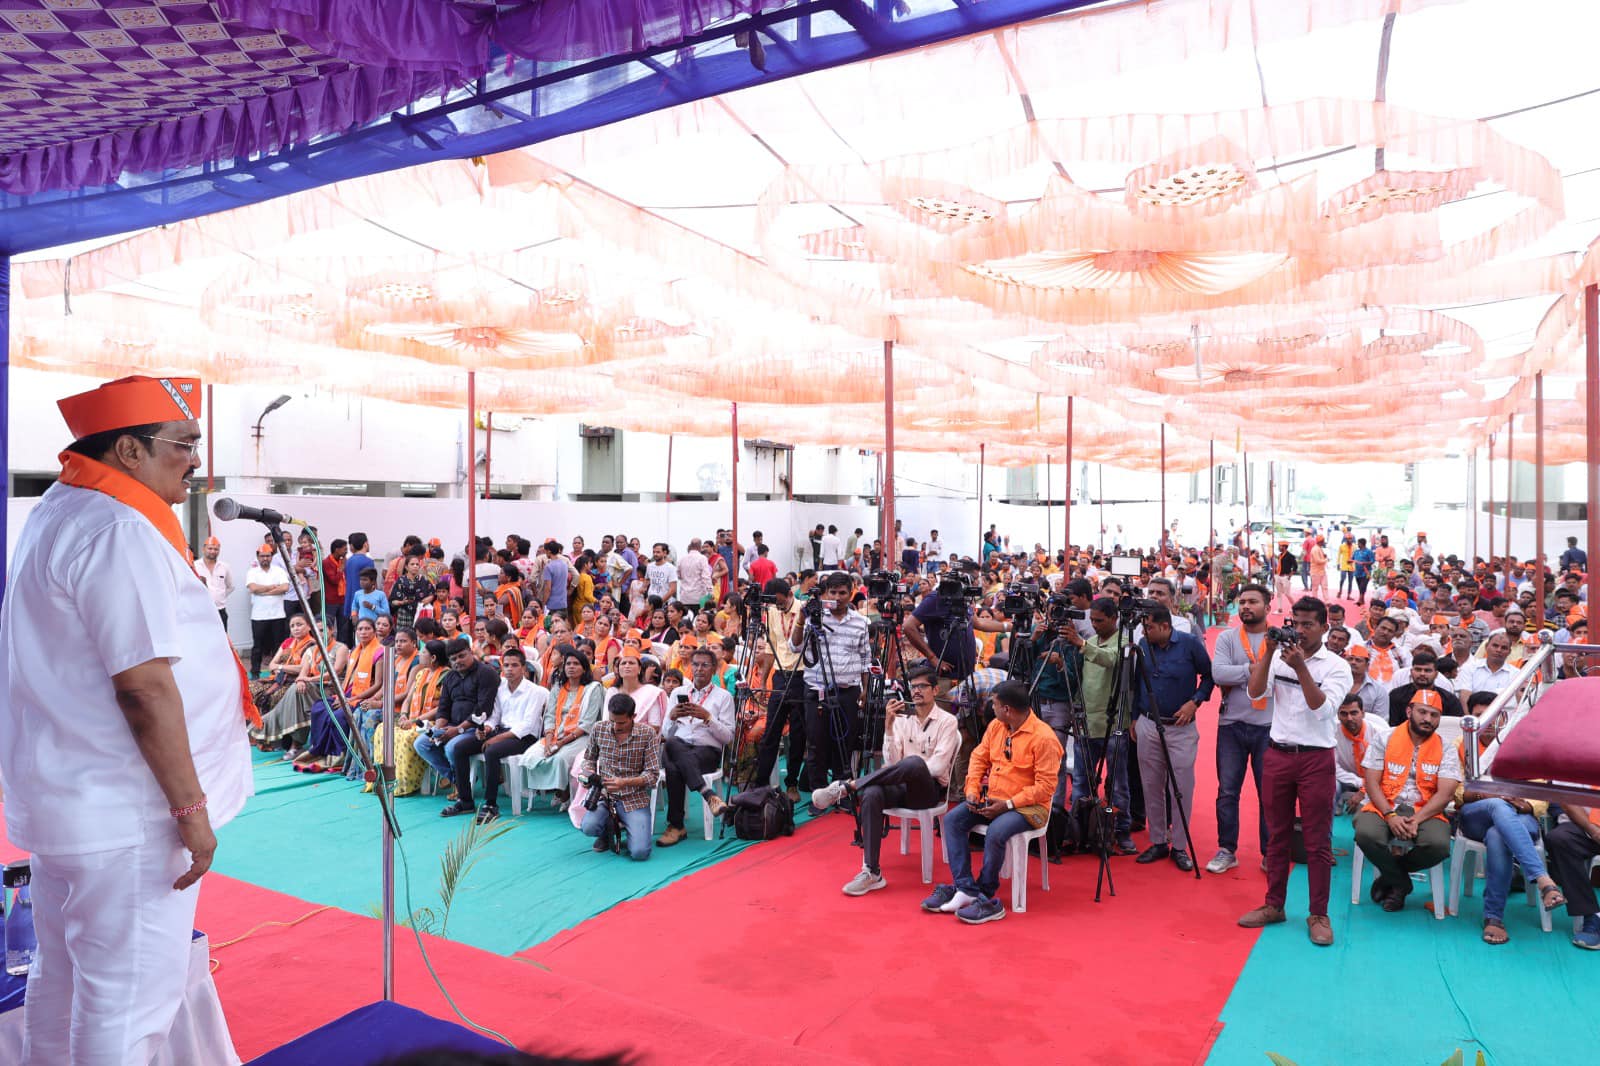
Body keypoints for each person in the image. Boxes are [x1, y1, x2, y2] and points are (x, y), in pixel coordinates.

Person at [0, 374, 252, 1063]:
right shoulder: (118, 528)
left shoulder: (63, 507)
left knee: (64, 982)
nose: (195, 461)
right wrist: (190, 810)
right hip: (129, 812)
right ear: (130, 450)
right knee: (129, 1004)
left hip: (74, 799)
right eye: (183, 444)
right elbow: (143, 686)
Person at [1237, 596, 1353, 945]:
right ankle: (1274, 905)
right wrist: (1269, 652)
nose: (1299, 631)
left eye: (1308, 625)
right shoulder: (1280, 655)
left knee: (1317, 842)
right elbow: (1255, 692)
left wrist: (1301, 667)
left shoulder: (1337, 666)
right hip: (1277, 753)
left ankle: (1318, 914)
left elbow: (1322, 709)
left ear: (1324, 627)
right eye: (1295, 623)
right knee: (1276, 836)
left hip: (1317, 759)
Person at [811, 666, 960, 894]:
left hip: (928, 791)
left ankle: (849, 786)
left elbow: (938, 767)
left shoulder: (947, 721)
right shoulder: (901, 720)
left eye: (922, 686)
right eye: (913, 686)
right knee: (872, 793)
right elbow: (891, 763)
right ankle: (871, 872)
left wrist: (910, 768)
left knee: (914, 763)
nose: (917, 691)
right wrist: (888, 728)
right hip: (899, 786)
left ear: (935, 690)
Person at [924, 680, 1062, 925]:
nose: (991, 708)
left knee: (997, 831)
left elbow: (1045, 788)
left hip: (1030, 807)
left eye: (994, 704)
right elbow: (978, 758)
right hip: (994, 799)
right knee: (953, 820)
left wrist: (1008, 804)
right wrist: (972, 791)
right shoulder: (997, 726)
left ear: (1007, 709)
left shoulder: (1044, 738)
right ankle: (965, 888)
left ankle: (985, 894)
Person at [1354, 689, 1461, 912]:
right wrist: (1390, 815)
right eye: (1423, 712)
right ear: (1409, 711)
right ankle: (1402, 883)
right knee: (1366, 834)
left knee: (1439, 846)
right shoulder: (1385, 738)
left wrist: (1416, 820)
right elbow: (1371, 783)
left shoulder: (1446, 748)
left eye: (1434, 715)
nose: (1428, 719)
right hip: (1384, 805)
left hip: (1426, 809)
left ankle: (1390, 877)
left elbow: (1446, 793)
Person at [1455, 725, 1564, 943]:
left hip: (1520, 815)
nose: (1489, 727)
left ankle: (1493, 917)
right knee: (1497, 804)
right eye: (1484, 721)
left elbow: (1540, 798)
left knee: (1498, 834)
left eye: (1495, 722)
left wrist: (1523, 804)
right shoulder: (1464, 744)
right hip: (1477, 813)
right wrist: (1489, 795)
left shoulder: (1527, 748)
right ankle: (1542, 879)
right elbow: (1457, 792)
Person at [1133, 606, 1214, 872]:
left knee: (1181, 787)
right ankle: (1158, 841)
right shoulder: (1143, 645)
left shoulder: (1190, 644)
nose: (1145, 632)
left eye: (1149, 627)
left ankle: (1179, 845)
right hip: (1147, 724)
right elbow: (1137, 683)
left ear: (1165, 626)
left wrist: (1195, 702)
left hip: (1181, 727)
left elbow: (1209, 676)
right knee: (1151, 785)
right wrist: (1134, 718)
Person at [1061, 597, 1136, 854]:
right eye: (1092, 620)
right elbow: (1081, 681)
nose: (1094, 624)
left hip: (1114, 724)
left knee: (1117, 784)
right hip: (1086, 722)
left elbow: (1111, 660)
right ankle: (1078, 831)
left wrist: (1081, 644)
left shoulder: (1124, 642)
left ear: (1114, 618)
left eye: (1099, 620)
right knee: (1081, 781)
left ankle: (1121, 830)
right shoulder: (1090, 642)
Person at [1208, 583, 1273, 874]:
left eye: (1253, 601)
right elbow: (1218, 673)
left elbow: (1277, 678)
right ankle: (1226, 849)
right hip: (1231, 725)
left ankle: (1270, 852)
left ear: (1267, 607)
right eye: (1242, 601)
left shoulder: (1277, 640)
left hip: (1269, 727)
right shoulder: (1228, 637)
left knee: (1268, 794)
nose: (1246, 606)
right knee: (1227, 792)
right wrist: (1252, 670)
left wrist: (1240, 675)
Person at [440, 647, 548, 822]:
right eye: (506, 665)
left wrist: (497, 738)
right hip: (500, 732)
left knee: (492, 751)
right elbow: (495, 716)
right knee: (460, 748)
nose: (510, 669)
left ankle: (491, 805)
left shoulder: (536, 691)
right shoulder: (501, 688)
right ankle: (465, 801)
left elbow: (527, 725)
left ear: (524, 668)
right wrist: (487, 729)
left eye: (515, 665)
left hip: (524, 737)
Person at [789, 571, 872, 792]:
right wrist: (801, 619)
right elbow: (794, 646)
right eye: (833, 592)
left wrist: (865, 689)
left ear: (851, 593)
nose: (837, 597)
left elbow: (865, 659)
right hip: (816, 691)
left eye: (842, 593)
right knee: (816, 744)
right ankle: (819, 794)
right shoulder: (813, 617)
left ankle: (841, 793)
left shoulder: (860, 622)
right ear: (825, 593)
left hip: (848, 691)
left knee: (844, 744)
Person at [656, 648, 735, 846]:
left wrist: (707, 718)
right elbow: (666, 734)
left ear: (714, 669)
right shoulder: (678, 693)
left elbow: (728, 737)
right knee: (672, 743)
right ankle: (708, 794)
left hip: (706, 751)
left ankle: (676, 826)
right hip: (678, 745)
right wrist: (672, 717)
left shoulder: (723, 697)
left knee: (674, 765)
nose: (699, 669)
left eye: (705, 665)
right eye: (696, 664)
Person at [577, 694, 662, 860]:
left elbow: (653, 775)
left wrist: (625, 783)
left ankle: (626, 828)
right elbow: (589, 759)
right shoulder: (599, 728)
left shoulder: (647, 733)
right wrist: (588, 774)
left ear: (633, 717)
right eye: (612, 721)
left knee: (639, 853)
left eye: (621, 722)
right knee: (588, 827)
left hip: (634, 798)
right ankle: (607, 831)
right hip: (605, 796)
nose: (616, 726)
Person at [414, 638, 500, 800]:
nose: (458, 661)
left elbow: (483, 710)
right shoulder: (450, 677)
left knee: (452, 746)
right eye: (453, 659)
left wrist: (458, 730)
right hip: (452, 726)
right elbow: (443, 708)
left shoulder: (486, 673)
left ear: (471, 653)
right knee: (422, 743)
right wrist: (438, 730)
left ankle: (461, 786)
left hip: (479, 729)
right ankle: (457, 781)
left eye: (462, 656)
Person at [518, 647, 605, 801]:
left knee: (559, 759)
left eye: (576, 664)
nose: (571, 667)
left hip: (582, 736)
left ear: (584, 668)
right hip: (556, 734)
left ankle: (564, 792)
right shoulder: (558, 688)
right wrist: (549, 741)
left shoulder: (593, 689)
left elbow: (587, 724)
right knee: (529, 756)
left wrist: (560, 743)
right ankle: (552, 790)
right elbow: (550, 716)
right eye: (568, 664)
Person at [1547, 802, 1600, 949]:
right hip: (1581, 825)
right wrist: (1595, 831)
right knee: (1559, 839)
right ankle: (1592, 915)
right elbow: (1566, 800)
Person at [1334, 694, 1388, 814]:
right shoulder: (1332, 733)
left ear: (1363, 714)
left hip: (1377, 782)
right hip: (1346, 781)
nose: (1349, 718)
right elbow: (1333, 768)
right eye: (1344, 714)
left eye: (1354, 713)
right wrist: (1360, 783)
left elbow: (1386, 769)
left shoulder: (1380, 733)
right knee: (1330, 782)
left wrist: (1365, 789)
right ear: (1338, 715)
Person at [245, 543, 291, 677]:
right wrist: (272, 587)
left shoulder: (279, 571)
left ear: (272, 557)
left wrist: (263, 591)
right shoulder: (252, 572)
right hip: (259, 616)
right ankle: (255, 672)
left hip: (278, 614)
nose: (265, 558)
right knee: (258, 646)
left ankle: (278, 672)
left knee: (279, 646)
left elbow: (285, 588)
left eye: (268, 556)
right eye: (262, 556)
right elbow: (253, 588)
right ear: (258, 557)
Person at [1385, 648, 1463, 726]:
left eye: (1427, 670)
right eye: (1418, 670)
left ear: (1436, 674)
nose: (1422, 674)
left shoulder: (1449, 700)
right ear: (1411, 672)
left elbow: (1455, 727)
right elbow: (1393, 726)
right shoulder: (1397, 695)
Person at [1457, 631, 1517, 708]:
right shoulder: (1469, 667)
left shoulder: (1516, 674)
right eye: (1495, 646)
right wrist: (1471, 716)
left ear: (1509, 652)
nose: (1499, 650)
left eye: (1504, 648)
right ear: (1486, 647)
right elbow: (1464, 696)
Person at [194, 535, 235, 627]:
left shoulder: (225, 567)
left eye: (216, 549)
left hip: (220, 610)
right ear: (203, 549)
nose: (213, 551)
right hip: (201, 611)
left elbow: (231, 586)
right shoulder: (195, 566)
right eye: (210, 548)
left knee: (222, 635)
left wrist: (220, 596)